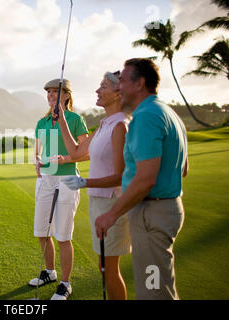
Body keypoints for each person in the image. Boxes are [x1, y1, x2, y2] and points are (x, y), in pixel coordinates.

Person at [94, 58, 188, 300]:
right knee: (158, 286)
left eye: (123, 81)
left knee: (153, 290)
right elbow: (183, 169)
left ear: (140, 84)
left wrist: (111, 214)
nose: (119, 87)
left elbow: (146, 179)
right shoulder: (168, 112)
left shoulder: (145, 117)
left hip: (152, 213)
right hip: (166, 210)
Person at [57, 71, 132, 300]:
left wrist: (84, 181)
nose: (97, 90)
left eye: (103, 86)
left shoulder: (120, 125)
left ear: (118, 93)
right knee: (104, 268)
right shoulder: (104, 124)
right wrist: (61, 117)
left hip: (112, 202)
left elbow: (121, 175)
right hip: (99, 201)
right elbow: (77, 153)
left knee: (109, 270)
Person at [29, 78, 89, 300]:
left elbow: (86, 151)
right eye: (49, 92)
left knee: (63, 235)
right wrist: (37, 160)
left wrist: (65, 160)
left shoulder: (75, 119)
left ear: (66, 95)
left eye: (56, 92)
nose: (51, 95)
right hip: (45, 180)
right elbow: (38, 151)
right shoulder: (42, 122)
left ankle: (65, 283)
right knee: (42, 232)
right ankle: (50, 272)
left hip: (67, 181)